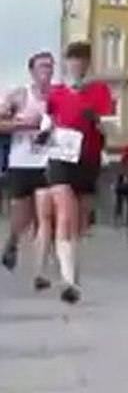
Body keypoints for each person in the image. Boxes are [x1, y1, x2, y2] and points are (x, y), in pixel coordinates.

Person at [44, 42, 114, 304]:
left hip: (88, 159)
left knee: (80, 221)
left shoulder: (100, 91)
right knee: (66, 214)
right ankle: (68, 279)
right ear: (66, 64)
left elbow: (110, 126)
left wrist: (96, 119)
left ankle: (71, 266)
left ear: (88, 64)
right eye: (72, 61)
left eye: (82, 61)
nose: (77, 65)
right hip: (60, 158)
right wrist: (44, 132)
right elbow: (47, 121)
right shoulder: (56, 93)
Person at [0, 52, 56, 289]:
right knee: (21, 218)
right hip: (21, 163)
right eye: (42, 66)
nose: (47, 71)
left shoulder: (57, 96)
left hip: (47, 164)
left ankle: (39, 273)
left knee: (45, 218)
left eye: (50, 66)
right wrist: (26, 124)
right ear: (31, 71)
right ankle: (12, 241)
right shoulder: (20, 95)